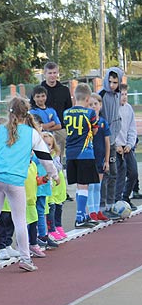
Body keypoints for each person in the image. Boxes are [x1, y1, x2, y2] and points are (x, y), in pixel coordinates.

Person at [0, 96, 59, 272]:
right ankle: (25, 258)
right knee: (20, 220)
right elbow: (45, 157)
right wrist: (54, 174)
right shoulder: (32, 133)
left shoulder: (0, 130)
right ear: (27, 113)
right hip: (15, 180)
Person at [64, 83, 100, 228]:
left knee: (80, 185)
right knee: (84, 185)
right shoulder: (90, 113)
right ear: (87, 98)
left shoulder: (66, 113)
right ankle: (80, 216)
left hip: (71, 153)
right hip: (85, 152)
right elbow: (95, 130)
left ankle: (82, 214)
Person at [98, 67, 124, 218]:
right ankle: (101, 206)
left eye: (115, 82)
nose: (112, 85)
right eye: (110, 82)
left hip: (113, 140)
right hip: (103, 141)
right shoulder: (101, 94)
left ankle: (111, 204)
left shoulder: (117, 94)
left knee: (114, 172)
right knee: (105, 173)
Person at [37, 62, 73, 156]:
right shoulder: (38, 90)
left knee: (58, 156)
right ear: (44, 74)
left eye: (54, 73)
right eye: (50, 73)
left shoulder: (64, 90)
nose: (52, 75)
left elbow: (69, 110)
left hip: (60, 128)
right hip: (43, 128)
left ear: (58, 73)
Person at [87, 93, 110, 222]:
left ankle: (97, 209)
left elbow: (107, 142)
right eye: (90, 104)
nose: (93, 106)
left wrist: (107, 160)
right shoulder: (87, 121)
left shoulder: (103, 122)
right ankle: (91, 211)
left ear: (100, 105)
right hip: (89, 158)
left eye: (95, 104)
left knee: (98, 186)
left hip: (100, 158)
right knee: (90, 186)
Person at [115, 83, 139, 210]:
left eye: (125, 94)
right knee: (120, 173)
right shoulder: (113, 109)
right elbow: (113, 129)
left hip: (127, 146)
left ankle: (125, 197)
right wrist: (116, 144)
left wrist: (130, 144)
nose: (124, 97)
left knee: (133, 172)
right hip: (116, 146)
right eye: (121, 94)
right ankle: (116, 200)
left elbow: (132, 128)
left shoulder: (129, 108)